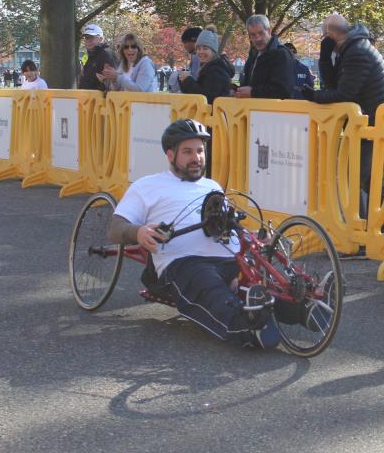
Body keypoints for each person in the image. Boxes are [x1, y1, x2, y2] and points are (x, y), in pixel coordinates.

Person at [107, 119, 281, 349]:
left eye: (200, 151)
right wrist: (137, 232)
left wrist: (255, 237)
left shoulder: (213, 187)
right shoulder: (147, 186)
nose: (196, 157)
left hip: (230, 259)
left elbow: (226, 226)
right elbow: (115, 228)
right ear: (170, 155)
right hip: (185, 262)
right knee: (207, 286)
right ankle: (246, 326)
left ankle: (303, 307)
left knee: (268, 280)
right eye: (187, 152)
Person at [302, 13, 384, 221]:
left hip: (372, 123)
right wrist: (325, 59)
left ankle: (365, 227)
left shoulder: (356, 52)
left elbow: (343, 94)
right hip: (369, 122)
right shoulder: (352, 47)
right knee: (366, 178)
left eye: (323, 37)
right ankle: (371, 226)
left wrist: (314, 96)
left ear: (330, 35)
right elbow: (334, 85)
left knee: (356, 177)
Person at [236, 15, 294, 99]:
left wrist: (253, 92)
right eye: (253, 35)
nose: (258, 39)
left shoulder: (281, 54)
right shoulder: (253, 53)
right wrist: (238, 90)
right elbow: (249, 84)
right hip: (252, 106)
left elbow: (284, 90)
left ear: (269, 31)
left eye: (261, 33)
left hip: (273, 107)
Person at [78, 23, 119, 91]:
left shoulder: (106, 54)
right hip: (85, 96)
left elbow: (114, 83)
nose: (88, 40)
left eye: (91, 37)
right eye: (86, 38)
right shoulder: (91, 56)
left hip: (101, 97)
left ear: (101, 39)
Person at [170, 27, 202, 94]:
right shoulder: (194, 56)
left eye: (185, 42)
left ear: (194, 40)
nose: (184, 46)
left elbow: (195, 78)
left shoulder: (199, 57)